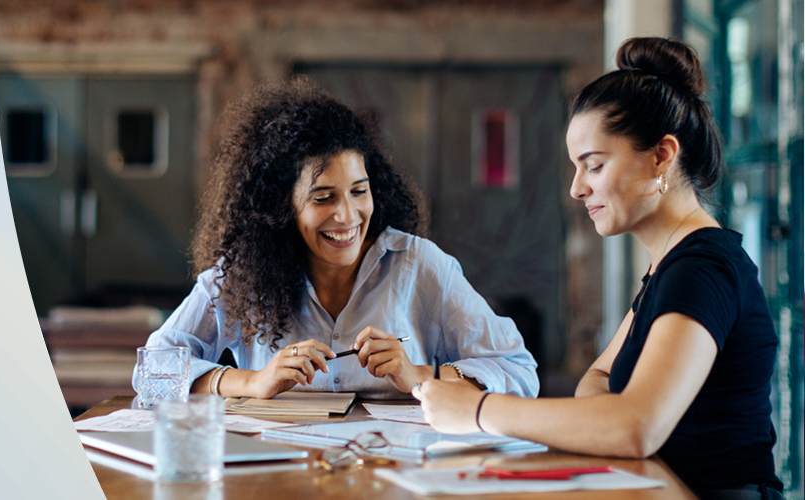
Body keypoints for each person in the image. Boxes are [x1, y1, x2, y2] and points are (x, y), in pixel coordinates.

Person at [413, 37, 781, 500]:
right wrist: (609, 421)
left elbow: (636, 427)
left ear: (662, 156)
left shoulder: (702, 268)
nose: (577, 189)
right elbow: (599, 381)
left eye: (594, 165)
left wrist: (480, 409)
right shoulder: (670, 266)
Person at [134, 80, 539, 401]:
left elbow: (519, 371)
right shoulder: (243, 277)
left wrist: (418, 375)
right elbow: (151, 372)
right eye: (323, 197)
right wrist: (252, 381)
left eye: (359, 192)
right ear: (282, 207)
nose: (347, 215)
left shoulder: (420, 265)